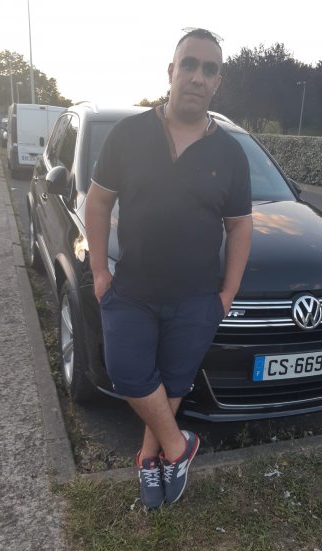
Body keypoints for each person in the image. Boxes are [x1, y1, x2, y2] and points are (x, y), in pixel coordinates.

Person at [85, 28, 253, 509]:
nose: (198, 76)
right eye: (190, 64)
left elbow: (240, 226)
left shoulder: (230, 153)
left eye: (209, 69)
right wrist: (100, 272)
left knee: (174, 383)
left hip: (197, 298)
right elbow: (98, 203)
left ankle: (148, 459)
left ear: (217, 82)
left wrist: (227, 294)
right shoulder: (128, 134)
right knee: (128, 374)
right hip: (132, 289)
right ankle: (179, 448)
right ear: (171, 71)